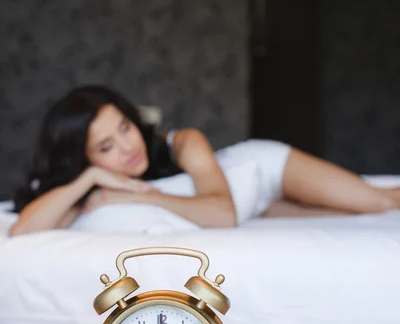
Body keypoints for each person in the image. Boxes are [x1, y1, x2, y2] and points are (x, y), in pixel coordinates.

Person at [9, 86, 400, 236]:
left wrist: (139, 196)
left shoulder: (185, 143)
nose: (128, 147)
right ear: (85, 157)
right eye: (105, 148)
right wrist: (88, 178)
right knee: (357, 213)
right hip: (257, 210)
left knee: (380, 201)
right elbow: (22, 230)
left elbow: (222, 214)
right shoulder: (94, 181)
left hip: (266, 172)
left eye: (125, 127)